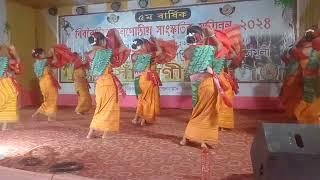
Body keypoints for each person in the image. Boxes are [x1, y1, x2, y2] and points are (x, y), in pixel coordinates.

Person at [180, 26, 222, 148]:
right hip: (207, 84)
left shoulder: (187, 51)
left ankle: (193, 138)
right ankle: (194, 137)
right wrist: (212, 35)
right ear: (200, 36)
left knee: (198, 111)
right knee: (205, 112)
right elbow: (220, 47)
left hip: (196, 86)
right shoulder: (207, 49)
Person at [86, 29, 130, 139]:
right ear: (101, 41)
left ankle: (90, 134)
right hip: (108, 83)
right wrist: (118, 36)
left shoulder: (89, 54)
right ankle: (105, 134)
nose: (106, 42)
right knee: (109, 108)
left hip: (99, 85)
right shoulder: (106, 52)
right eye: (105, 40)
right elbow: (123, 48)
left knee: (99, 108)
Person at [131, 37, 177, 126]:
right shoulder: (148, 55)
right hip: (147, 79)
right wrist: (156, 42)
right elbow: (159, 52)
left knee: (141, 99)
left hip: (138, 79)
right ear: (142, 45)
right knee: (148, 99)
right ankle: (144, 118)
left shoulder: (133, 56)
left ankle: (138, 118)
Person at [289, 28, 320, 124]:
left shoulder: (303, 51)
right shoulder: (313, 51)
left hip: (308, 79)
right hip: (311, 80)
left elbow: (290, 51)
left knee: (308, 100)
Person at [31, 48, 60, 121]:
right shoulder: (45, 61)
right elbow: (55, 61)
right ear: (40, 55)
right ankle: (40, 112)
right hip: (48, 82)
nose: (45, 54)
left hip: (41, 83)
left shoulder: (35, 64)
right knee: (53, 97)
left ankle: (49, 116)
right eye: (43, 53)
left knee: (47, 98)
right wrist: (53, 53)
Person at [0, 44, 23, 130]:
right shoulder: (7, 60)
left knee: (7, 103)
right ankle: (3, 125)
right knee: (5, 103)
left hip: (7, 84)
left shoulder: (7, 60)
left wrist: (15, 52)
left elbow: (17, 67)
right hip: (5, 85)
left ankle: (4, 125)